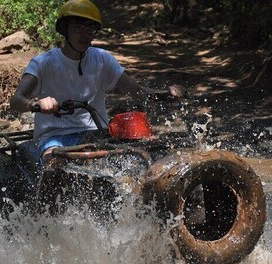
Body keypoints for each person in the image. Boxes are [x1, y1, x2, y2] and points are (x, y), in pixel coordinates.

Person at [10, 0, 183, 163]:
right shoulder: (43, 63)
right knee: (54, 163)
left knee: (139, 158)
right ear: (64, 30)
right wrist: (37, 104)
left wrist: (167, 95)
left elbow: (138, 92)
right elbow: (16, 101)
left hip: (96, 134)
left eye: (90, 30)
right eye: (78, 29)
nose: (85, 35)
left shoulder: (102, 59)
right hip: (55, 137)